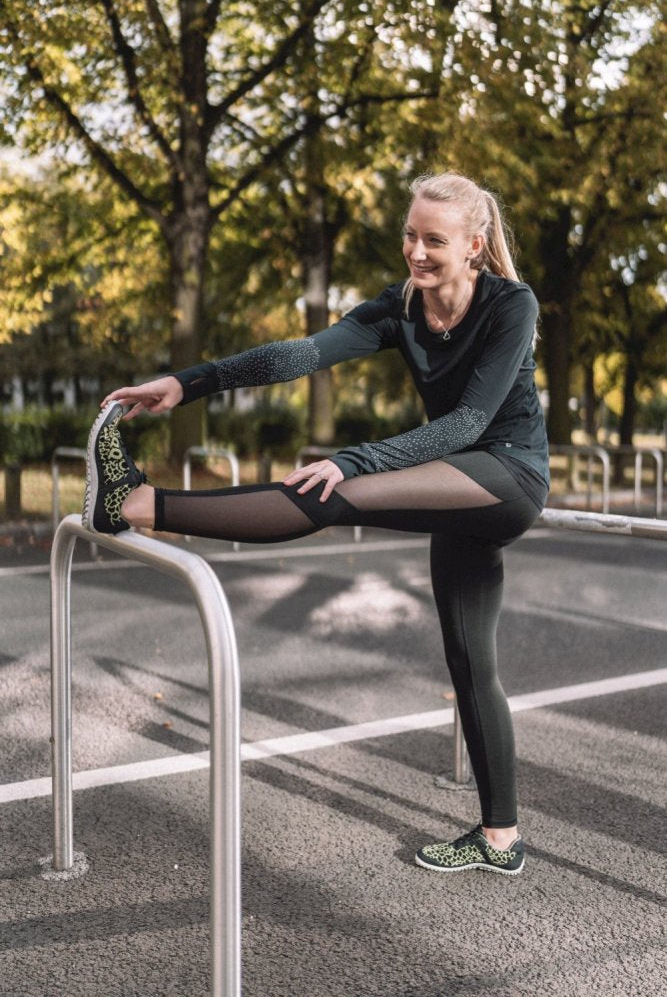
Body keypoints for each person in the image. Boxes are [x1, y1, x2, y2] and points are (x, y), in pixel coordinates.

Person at [83, 172, 549, 876]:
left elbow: (468, 422)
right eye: (410, 235)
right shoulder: (401, 305)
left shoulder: (511, 304)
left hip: (507, 473)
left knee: (333, 489)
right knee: (468, 659)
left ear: (473, 246)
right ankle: (500, 840)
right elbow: (301, 355)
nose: (416, 252)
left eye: (434, 240)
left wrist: (356, 460)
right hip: (454, 479)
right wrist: (186, 383)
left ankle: (136, 504)